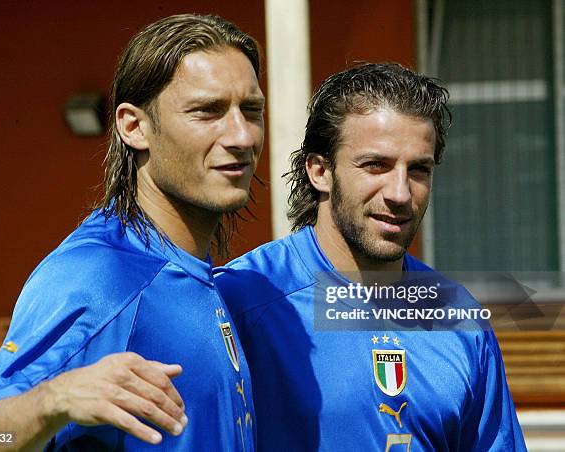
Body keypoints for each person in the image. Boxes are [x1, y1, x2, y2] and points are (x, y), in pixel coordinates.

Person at [0, 14, 264, 451]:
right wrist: (52, 399)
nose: (241, 135)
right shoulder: (97, 276)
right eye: (207, 111)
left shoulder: (197, 271)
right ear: (134, 126)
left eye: (251, 111)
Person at [215, 62, 527, 451]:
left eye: (418, 170)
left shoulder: (458, 319)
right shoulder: (240, 300)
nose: (400, 193)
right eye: (375, 165)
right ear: (320, 171)